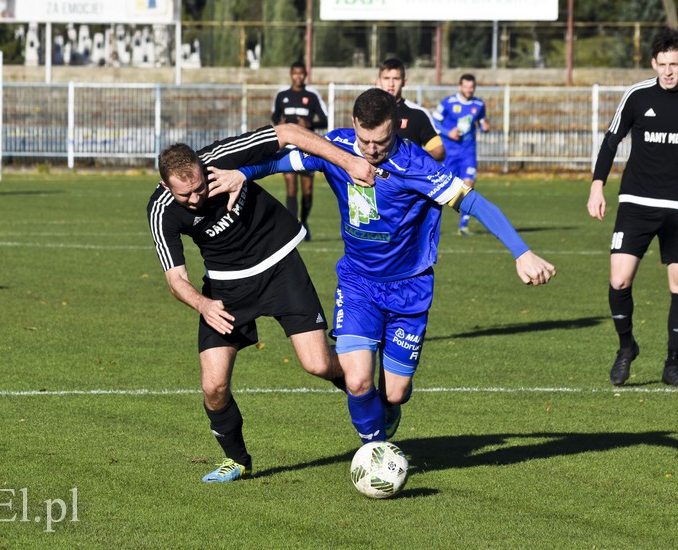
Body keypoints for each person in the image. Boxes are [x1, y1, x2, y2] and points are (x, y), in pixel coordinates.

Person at [210, 89, 555, 445]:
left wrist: (521, 251)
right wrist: (243, 174)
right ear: (355, 124)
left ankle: (389, 407)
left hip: (410, 288)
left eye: (383, 140)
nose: (373, 149)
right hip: (358, 284)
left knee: (394, 393)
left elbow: (474, 203)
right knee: (357, 381)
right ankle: (375, 452)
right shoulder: (337, 148)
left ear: (395, 128)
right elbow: (283, 161)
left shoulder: (416, 165)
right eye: (366, 139)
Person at [147, 123, 375, 483]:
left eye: (200, 187)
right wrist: (204, 305)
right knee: (213, 386)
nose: (196, 198)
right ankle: (237, 461)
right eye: (185, 195)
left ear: (202, 168)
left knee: (317, 364)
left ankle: (368, 397)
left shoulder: (220, 158)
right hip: (226, 288)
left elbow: (285, 133)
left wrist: (348, 163)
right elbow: (177, 279)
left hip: (279, 265)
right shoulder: (161, 210)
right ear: (165, 186)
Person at [587, 27, 678, 387]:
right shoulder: (638, 96)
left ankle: (673, 362)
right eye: (663, 64)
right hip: (637, 202)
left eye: (675, 64)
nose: (669, 72)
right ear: (653, 63)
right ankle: (626, 347)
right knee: (619, 278)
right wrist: (598, 186)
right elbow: (611, 141)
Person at [271, 61, 329, 240]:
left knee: (307, 190)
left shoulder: (312, 95)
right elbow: (274, 116)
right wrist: (278, 124)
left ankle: (304, 222)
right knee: (290, 185)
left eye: (301, 74)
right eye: (295, 73)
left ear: (305, 75)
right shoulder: (282, 94)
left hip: (307, 146)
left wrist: (309, 124)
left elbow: (325, 120)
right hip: (287, 146)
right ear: (291, 74)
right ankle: (293, 226)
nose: (298, 77)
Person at [433, 74, 491, 236]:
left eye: (471, 87)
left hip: (468, 152)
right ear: (460, 86)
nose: (468, 90)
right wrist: (447, 132)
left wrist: (485, 127)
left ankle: (463, 226)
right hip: (449, 153)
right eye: (466, 87)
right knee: (440, 190)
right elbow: (434, 121)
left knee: (468, 186)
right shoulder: (448, 103)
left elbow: (482, 123)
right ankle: (430, 224)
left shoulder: (479, 104)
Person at [376, 57, 444, 162]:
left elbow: (438, 152)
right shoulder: (368, 111)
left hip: (406, 177)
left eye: (396, 78)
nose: (391, 84)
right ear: (378, 81)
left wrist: (411, 159)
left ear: (404, 82)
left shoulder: (418, 114)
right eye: (386, 78)